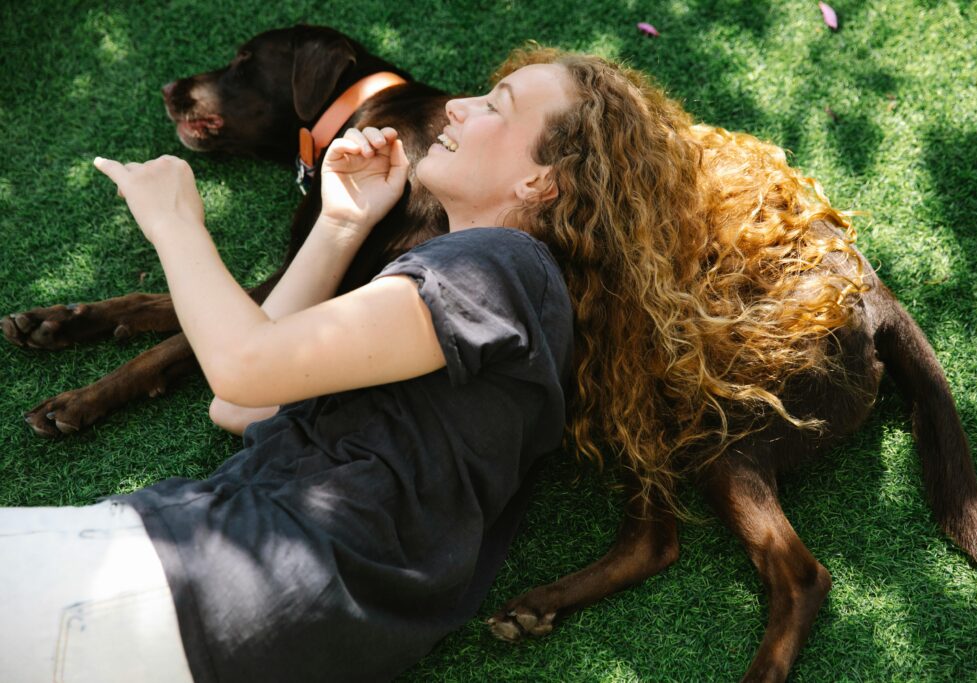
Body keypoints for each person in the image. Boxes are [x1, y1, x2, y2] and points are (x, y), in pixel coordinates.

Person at [1, 45, 860, 682]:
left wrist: (175, 221)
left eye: (497, 104)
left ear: (543, 184)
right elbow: (241, 408)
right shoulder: (483, 298)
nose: (456, 108)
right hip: (243, 610)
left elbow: (241, 366)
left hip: (211, 578)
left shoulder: (499, 269)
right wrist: (340, 224)